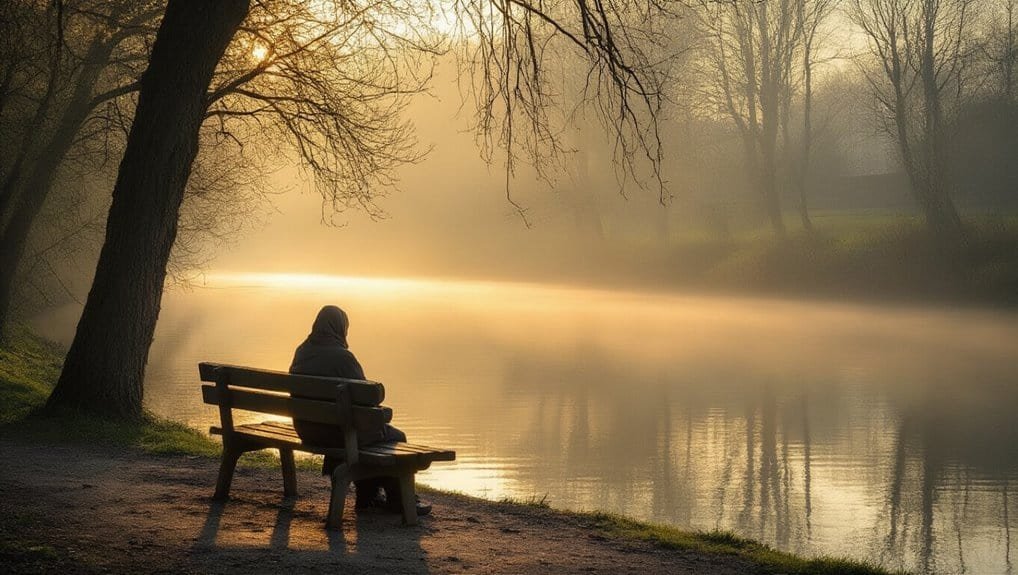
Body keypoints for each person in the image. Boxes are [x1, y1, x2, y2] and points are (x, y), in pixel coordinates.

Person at [289, 305, 430, 516]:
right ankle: (399, 499)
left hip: (307, 429)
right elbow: (367, 402)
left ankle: (369, 496)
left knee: (361, 432)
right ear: (340, 328)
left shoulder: (301, 351)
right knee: (395, 437)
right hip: (337, 434)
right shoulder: (343, 358)